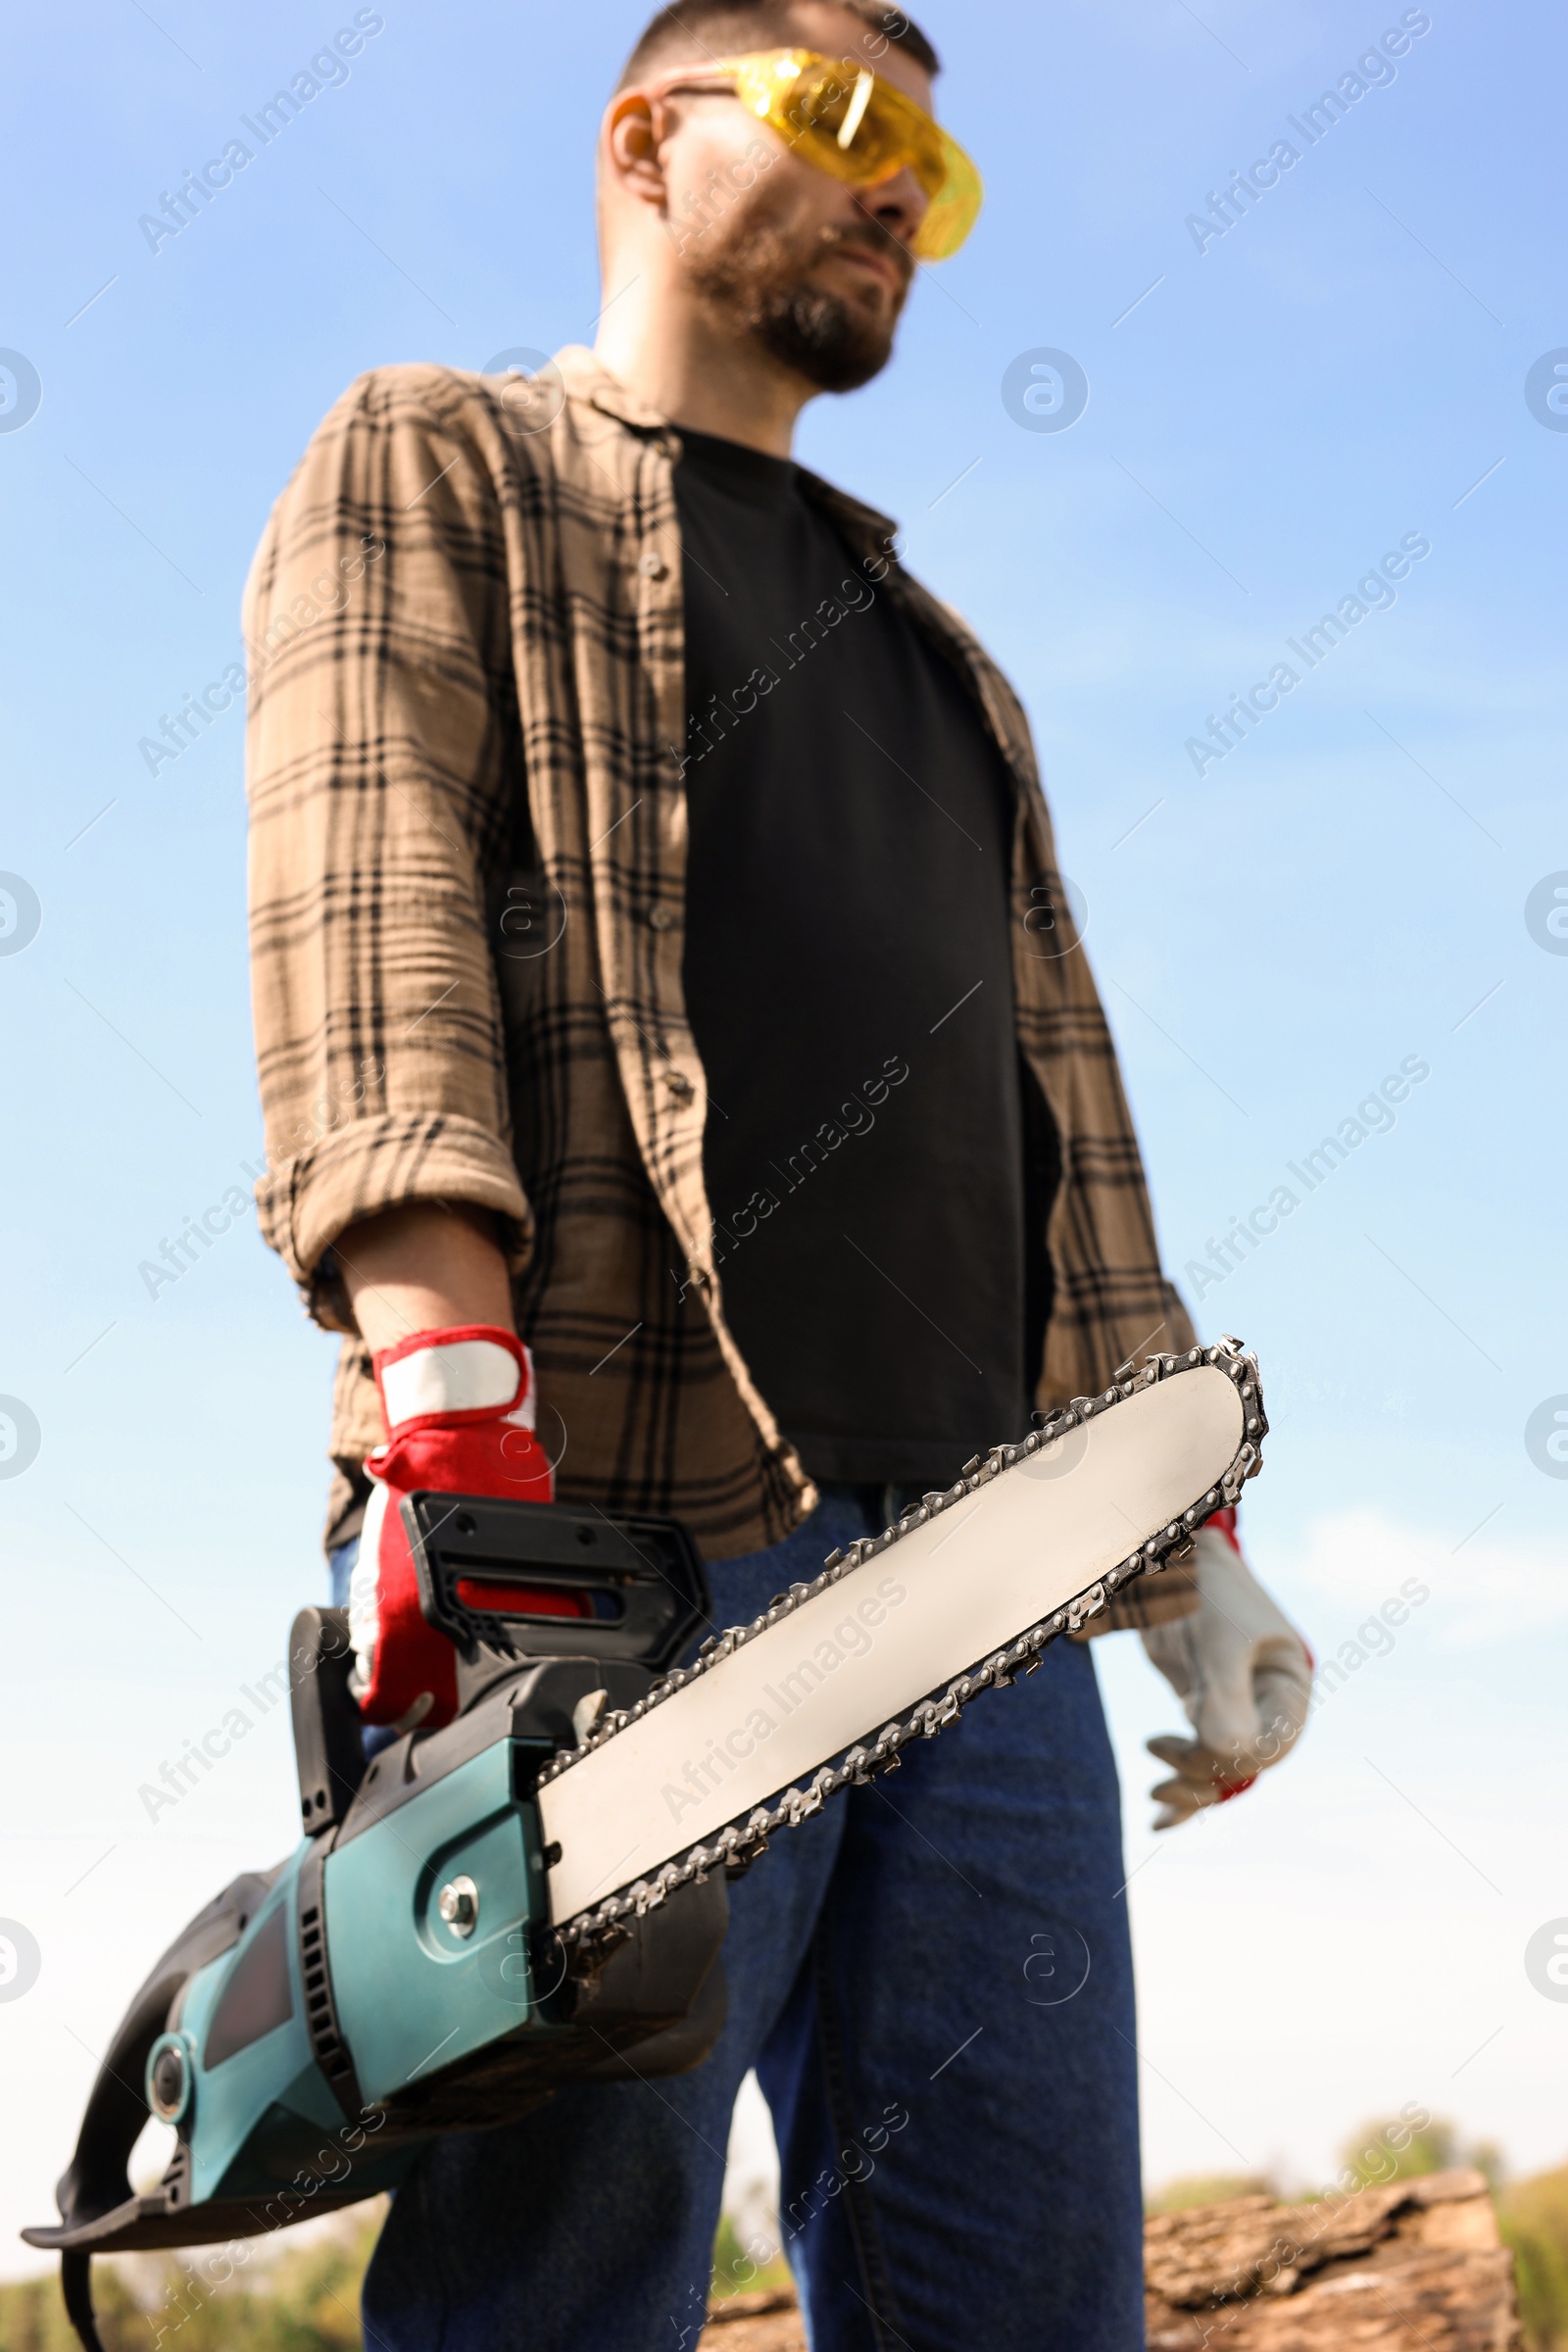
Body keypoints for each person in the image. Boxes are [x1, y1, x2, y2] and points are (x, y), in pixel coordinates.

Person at [243, 5, 1312, 2344]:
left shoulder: (949, 666)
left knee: (1027, 2305)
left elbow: (1064, 1131)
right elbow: (368, 919)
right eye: (839, 123)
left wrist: (1178, 1548)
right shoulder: (449, 456)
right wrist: (442, 1411)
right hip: (616, 1531)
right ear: (645, 134)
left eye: (932, 172)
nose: (891, 195)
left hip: (984, 1590)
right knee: (562, 2294)